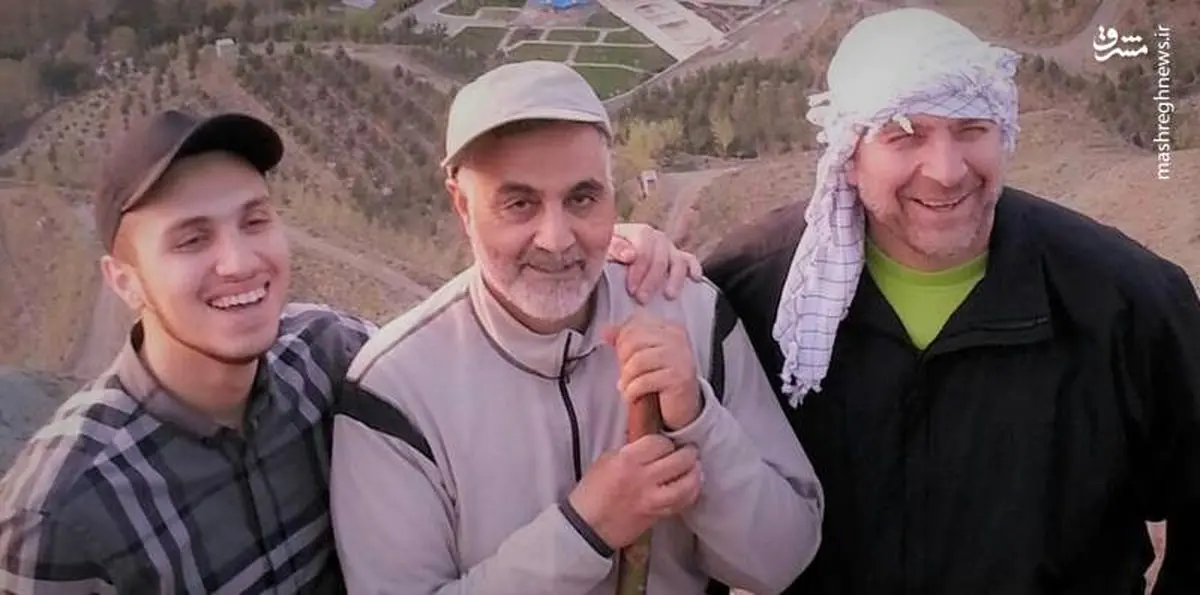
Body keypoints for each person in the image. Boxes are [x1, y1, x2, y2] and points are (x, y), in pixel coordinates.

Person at [0, 109, 701, 593]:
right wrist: (586, 527)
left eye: (254, 220)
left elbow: (457, 352)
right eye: (191, 239)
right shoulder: (61, 511)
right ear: (122, 279)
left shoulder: (324, 354)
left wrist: (597, 253)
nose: (238, 261)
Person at [702, 7, 1200, 595]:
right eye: (904, 135)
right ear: (848, 156)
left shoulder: (1126, 303)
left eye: (971, 129)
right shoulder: (758, 296)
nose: (945, 170)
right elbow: (694, 516)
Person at [328, 60, 824, 595]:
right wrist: (585, 531)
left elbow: (783, 559)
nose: (557, 239)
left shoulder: (689, 312)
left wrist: (699, 423)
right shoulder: (396, 391)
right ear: (462, 205)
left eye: (582, 199)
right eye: (519, 204)